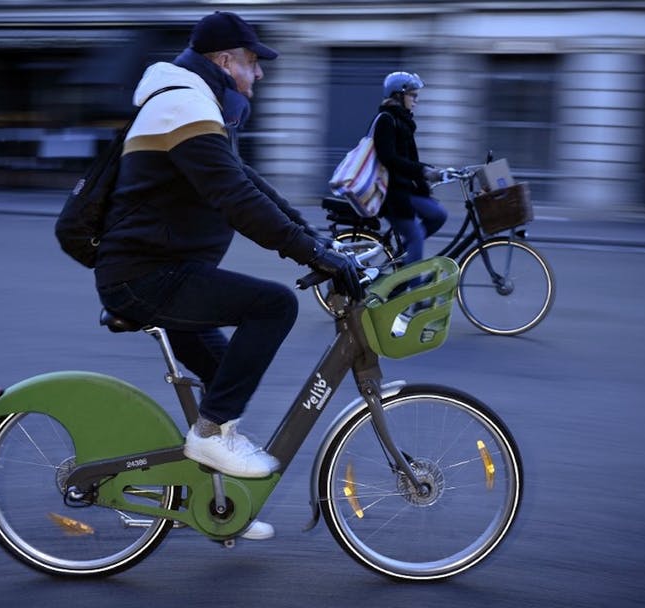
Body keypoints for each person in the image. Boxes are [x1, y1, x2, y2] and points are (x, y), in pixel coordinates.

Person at [93, 11, 361, 539]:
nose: (258, 75)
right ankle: (211, 434)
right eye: (253, 63)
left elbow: (253, 186)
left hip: (166, 271)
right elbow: (234, 199)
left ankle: (217, 505)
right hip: (147, 276)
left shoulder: (198, 104)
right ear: (224, 61)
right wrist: (312, 257)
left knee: (224, 381)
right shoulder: (182, 104)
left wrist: (318, 242)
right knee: (274, 305)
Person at [372, 72, 448, 275]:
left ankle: (405, 257)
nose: (416, 101)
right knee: (415, 236)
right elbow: (389, 159)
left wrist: (428, 174)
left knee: (438, 215)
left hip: (406, 189)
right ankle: (413, 292)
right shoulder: (386, 120)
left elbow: (410, 159)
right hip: (392, 194)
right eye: (412, 95)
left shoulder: (403, 121)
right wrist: (422, 171)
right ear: (398, 95)